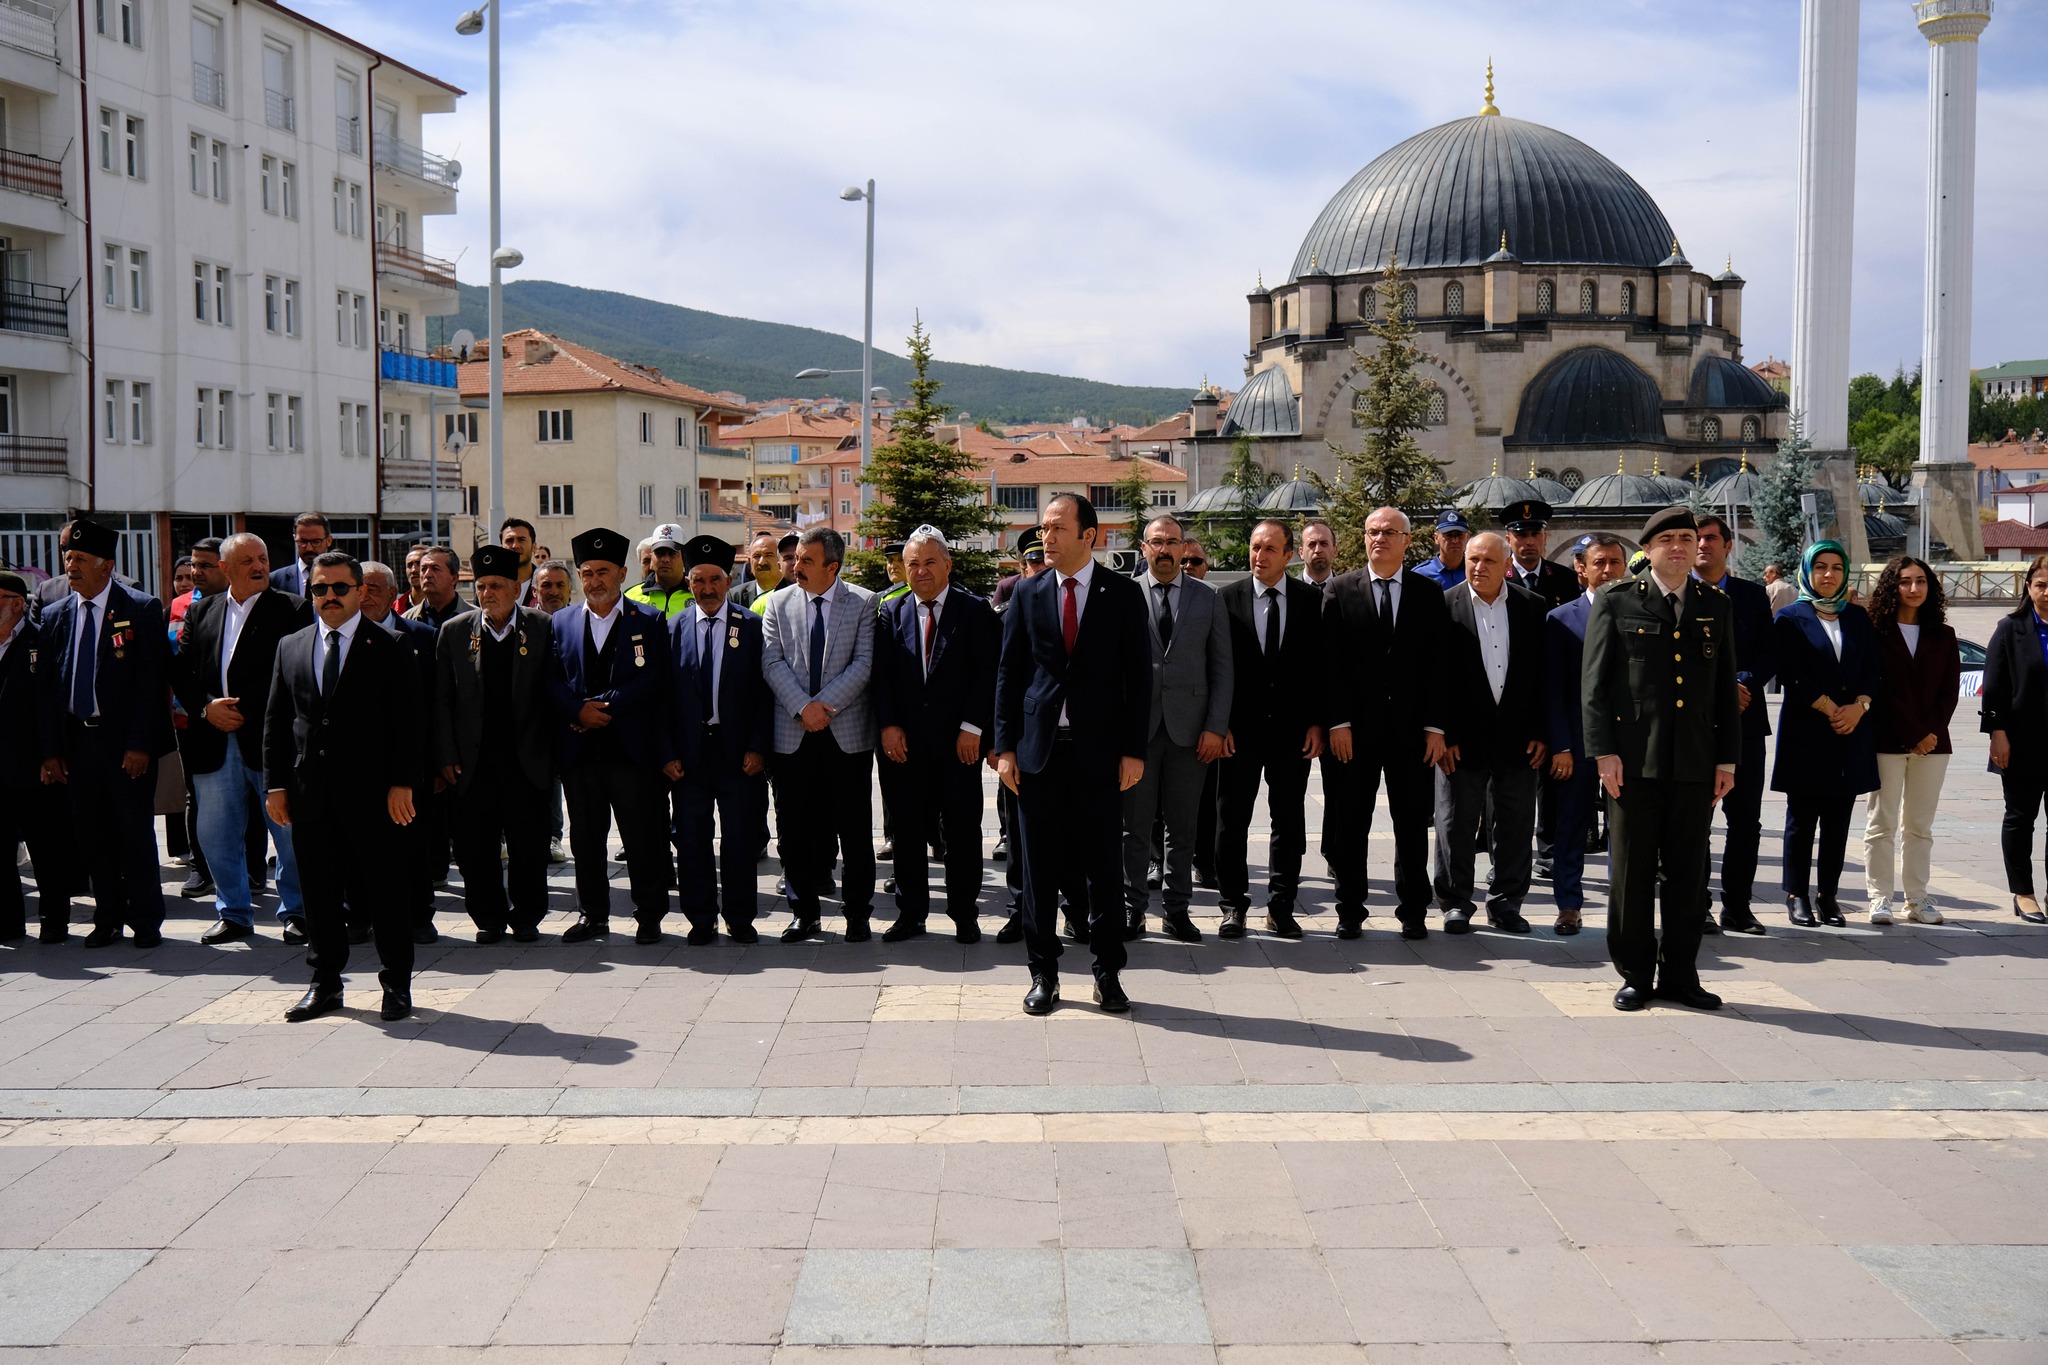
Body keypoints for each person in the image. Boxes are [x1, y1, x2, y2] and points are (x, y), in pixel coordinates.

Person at [994, 492, 1152, 1013]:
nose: (1047, 536)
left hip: (1100, 755)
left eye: (1059, 528)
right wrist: (1004, 750)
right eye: (1044, 527)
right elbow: (1009, 675)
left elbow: (1137, 681)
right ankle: (1044, 973)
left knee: (1103, 869)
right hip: (1038, 754)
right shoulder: (1026, 592)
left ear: (1090, 535)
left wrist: (1133, 752)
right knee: (1038, 869)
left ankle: (1108, 973)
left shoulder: (1122, 595)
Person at [1583, 505, 1739, 1011]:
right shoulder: (1616, 600)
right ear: (1646, 549)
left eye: (1687, 539)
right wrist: (1603, 752)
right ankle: (1635, 973)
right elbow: (1596, 687)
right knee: (1630, 874)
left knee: (1689, 876)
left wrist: (1727, 761)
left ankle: (1681, 974)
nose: (1678, 547)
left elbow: (1723, 690)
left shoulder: (1715, 604)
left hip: (1694, 763)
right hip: (1631, 764)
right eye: (1667, 539)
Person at [263, 551, 423, 1021]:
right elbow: (276, 723)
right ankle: (326, 984)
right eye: (319, 588)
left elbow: (409, 725)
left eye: (339, 588)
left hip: (376, 797)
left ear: (360, 592)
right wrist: (275, 786)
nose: (328, 596)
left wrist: (402, 785)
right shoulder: (291, 646)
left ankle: (396, 984)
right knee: (319, 894)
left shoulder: (391, 646)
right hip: (311, 795)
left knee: (386, 893)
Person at [35, 518, 173, 948]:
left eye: (80, 559)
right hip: (77, 742)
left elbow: (152, 685)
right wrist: (51, 751)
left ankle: (146, 920)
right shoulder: (57, 614)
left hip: (123, 743)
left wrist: (139, 745)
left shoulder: (140, 608)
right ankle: (107, 916)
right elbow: (48, 688)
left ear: (107, 565)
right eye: (67, 558)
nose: (70, 566)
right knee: (91, 836)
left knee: (133, 833)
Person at [174, 532, 311, 944]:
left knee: (286, 832)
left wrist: (246, 709)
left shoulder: (293, 610)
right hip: (213, 740)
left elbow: (299, 672)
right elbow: (181, 670)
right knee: (215, 833)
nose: (259, 567)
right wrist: (206, 707)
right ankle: (233, 912)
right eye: (249, 560)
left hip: (271, 741)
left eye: (264, 559)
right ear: (226, 568)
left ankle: (298, 911)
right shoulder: (203, 612)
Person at [1321, 506, 1452, 939]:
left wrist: (1435, 727)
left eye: (1389, 532)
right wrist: (1337, 722)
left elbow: (1437, 666)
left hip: (1411, 733)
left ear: (1407, 541)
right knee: (1350, 824)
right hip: (1354, 734)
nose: (1379, 538)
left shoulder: (1427, 593)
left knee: (1412, 823)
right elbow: (1331, 666)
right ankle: (1350, 910)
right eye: (1372, 532)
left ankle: (1413, 910)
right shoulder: (1340, 590)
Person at [545, 527, 674, 943]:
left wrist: (608, 707)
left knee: (641, 837)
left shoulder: (650, 621)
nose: (594, 580)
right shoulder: (560, 623)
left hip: (631, 750)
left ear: (621, 573)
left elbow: (657, 677)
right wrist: (577, 709)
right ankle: (592, 914)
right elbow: (550, 679)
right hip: (579, 750)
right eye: (586, 572)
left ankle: (650, 915)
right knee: (585, 839)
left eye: (603, 571)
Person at [872, 525, 998, 944]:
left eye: (929, 562)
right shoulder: (892, 611)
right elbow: (882, 675)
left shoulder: (974, 610)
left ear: (948, 564)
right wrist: (888, 725)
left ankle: (964, 913)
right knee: (907, 832)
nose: (921, 571)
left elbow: (987, 675)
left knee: (962, 832)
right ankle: (911, 914)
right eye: (913, 564)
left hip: (958, 744)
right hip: (905, 746)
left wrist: (973, 728)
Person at [760, 527, 878, 941]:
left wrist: (822, 707)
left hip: (845, 734)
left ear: (833, 566)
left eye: (807, 561)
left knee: (855, 830)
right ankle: (803, 911)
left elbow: (864, 664)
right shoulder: (777, 602)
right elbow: (772, 663)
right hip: (792, 734)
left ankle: (858, 914)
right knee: (793, 830)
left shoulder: (864, 602)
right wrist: (802, 708)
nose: (796, 567)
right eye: (794, 559)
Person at [436, 545, 555, 944]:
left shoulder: (541, 627)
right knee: (475, 846)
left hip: (527, 758)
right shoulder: (455, 631)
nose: (488, 594)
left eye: (497, 586)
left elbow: (554, 691)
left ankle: (526, 916)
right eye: (482, 586)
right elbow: (442, 699)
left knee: (528, 845)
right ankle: (488, 917)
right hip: (474, 761)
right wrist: (447, 755)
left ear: (518, 588)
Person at [1121, 513, 1231, 943]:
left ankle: (1177, 911)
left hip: (1191, 735)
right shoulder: (1124, 596)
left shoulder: (1208, 598)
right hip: (1138, 734)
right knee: (1133, 829)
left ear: (1185, 548)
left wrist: (1216, 727)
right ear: (1144, 548)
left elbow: (1222, 668)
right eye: (1156, 541)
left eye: (1172, 542)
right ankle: (1133, 910)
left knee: (1182, 830)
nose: (1164, 549)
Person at [1433, 531, 1547, 934]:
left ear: (1506, 564)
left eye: (1487, 561)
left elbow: (1540, 678)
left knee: (1515, 822)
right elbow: (1434, 680)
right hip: (1461, 739)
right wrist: (1440, 734)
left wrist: (1541, 731)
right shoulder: (1443, 606)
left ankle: (1506, 902)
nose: (1478, 567)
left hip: (1518, 738)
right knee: (1455, 822)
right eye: (1472, 560)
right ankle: (1455, 902)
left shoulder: (1533, 607)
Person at [1215, 518, 1323, 938]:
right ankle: (1232, 906)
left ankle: (1281, 905)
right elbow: (1217, 668)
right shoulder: (1226, 600)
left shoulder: (1309, 601)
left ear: (1289, 555)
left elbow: (1320, 669)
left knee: (1289, 822)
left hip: (1291, 733)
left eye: (1269, 549)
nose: (1259, 556)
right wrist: (1218, 724)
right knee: (1231, 820)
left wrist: (1316, 721)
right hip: (1238, 732)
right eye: (1255, 548)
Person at [662, 535, 771, 945]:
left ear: (728, 582)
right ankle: (701, 918)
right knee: (692, 840)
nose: (706, 589)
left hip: (739, 753)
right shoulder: (671, 629)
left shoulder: (752, 626)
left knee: (741, 839)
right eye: (698, 581)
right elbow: (662, 699)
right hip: (689, 757)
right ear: (689, 582)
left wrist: (759, 746)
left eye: (714, 580)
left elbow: (766, 693)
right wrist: (667, 753)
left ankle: (740, 917)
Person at [1772, 540, 1881, 929]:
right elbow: (1789, 671)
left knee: (1838, 820)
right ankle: (1797, 894)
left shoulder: (1857, 618)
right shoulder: (1789, 617)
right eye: (1820, 567)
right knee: (1802, 820)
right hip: (1807, 730)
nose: (1828, 574)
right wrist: (1827, 706)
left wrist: (1859, 707)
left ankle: (1828, 896)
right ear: (1807, 571)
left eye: (1836, 567)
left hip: (1850, 731)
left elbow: (1872, 670)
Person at [1693, 514, 1777, 935]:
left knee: (1745, 821)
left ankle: (1738, 907)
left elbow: (1768, 652)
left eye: (1711, 538)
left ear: (1728, 546)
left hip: (1746, 724)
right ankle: (1699, 906)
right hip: (1695, 726)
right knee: (1697, 821)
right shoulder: (1678, 594)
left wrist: (1744, 682)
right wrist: (1722, 688)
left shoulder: (1752, 595)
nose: (1703, 545)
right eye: (1697, 539)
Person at [1863, 555, 1958, 926]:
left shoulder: (1944, 634)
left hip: (1934, 744)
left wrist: (1929, 733)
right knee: (1881, 822)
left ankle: (1917, 898)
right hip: (1887, 738)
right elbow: (1879, 690)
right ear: (1892, 586)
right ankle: (1879, 898)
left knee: (1920, 825)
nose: (1914, 588)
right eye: (1905, 581)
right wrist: (1914, 733)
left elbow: (1949, 691)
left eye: (1921, 581)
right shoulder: (1875, 631)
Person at [1544, 533, 1629, 935]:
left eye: (1615, 562)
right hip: (1576, 746)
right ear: (1582, 568)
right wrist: (1559, 744)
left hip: (1627, 746)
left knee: (1626, 829)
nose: (1608, 570)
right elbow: (1554, 691)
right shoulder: (1561, 620)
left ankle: (1625, 905)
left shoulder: (1639, 614)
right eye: (1600, 563)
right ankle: (1568, 905)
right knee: (1571, 825)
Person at [362, 560, 447, 944]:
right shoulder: (339, 638)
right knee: (360, 848)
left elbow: (438, 704)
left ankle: (418, 916)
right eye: (358, 588)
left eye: (374, 589)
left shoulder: (424, 637)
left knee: (415, 844)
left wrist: (436, 763)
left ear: (393, 595)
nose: (364, 596)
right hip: (360, 765)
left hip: (412, 764)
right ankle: (360, 916)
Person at [0, 570, 72, 942]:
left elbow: (50, 702)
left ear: (16, 603)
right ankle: (8, 923)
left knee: (45, 848)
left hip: (32, 765)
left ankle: (54, 920)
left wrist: (51, 755)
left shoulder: (40, 640)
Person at [1983, 554, 2048, 926]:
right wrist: (1997, 732)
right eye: (2040, 585)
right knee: (2021, 818)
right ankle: (2023, 893)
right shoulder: (2011, 628)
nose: (2047, 592)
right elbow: (1994, 686)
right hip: (2022, 742)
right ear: (2028, 587)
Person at [530, 557, 576, 862]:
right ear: (535, 590)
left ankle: (553, 837)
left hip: (569, 720)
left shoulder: (577, 623)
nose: (553, 591)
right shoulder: (525, 625)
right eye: (546, 585)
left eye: (560, 585)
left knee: (561, 782)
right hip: (531, 720)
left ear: (571, 590)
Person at [1501, 500, 1577, 608]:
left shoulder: (1565, 578)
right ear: (1508, 540)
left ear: (1545, 537)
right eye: (1522, 535)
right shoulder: (1498, 576)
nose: (1530, 542)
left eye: (1535, 534)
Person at [625, 523, 694, 620]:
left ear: (685, 557)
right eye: (659, 553)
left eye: (672, 553)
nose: (665, 559)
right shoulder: (630, 597)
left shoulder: (697, 594)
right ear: (652, 557)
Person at [405, 546, 469, 631]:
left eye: (435, 569)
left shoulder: (477, 618)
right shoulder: (406, 620)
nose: (427, 575)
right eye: (423, 569)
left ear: (454, 578)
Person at [268, 511, 332, 596]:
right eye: (303, 541)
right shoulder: (275, 580)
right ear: (294, 539)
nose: (309, 548)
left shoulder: (344, 578)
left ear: (329, 541)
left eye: (316, 542)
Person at [990, 526, 1046, 613]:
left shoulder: (1065, 586)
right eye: (1035, 562)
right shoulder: (1007, 587)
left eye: (1047, 562)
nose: (1042, 568)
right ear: (1025, 567)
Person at [1412, 510, 1470, 589]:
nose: (1455, 540)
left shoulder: (1475, 570)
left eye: (1460, 535)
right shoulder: (1420, 575)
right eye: (1448, 535)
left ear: (1467, 537)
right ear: (1436, 538)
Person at [748, 533, 803, 617]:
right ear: (779, 566)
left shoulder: (823, 596)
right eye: (788, 558)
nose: (795, 563)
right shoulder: (762, 604)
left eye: (799, 558)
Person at [732, 531, 785, 610]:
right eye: (757, 556)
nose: (761, 562)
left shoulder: (795, 594)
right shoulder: (734, 597)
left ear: (780, 560)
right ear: (750, 562)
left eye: (768, 555)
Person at [500, 517, 541, 608]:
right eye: (509, 541)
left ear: (533, 547)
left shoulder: (545, 583)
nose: (515, 545)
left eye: (521, 540)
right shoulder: (489, 585)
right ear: (501, 548)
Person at [1298, 520, 1337, 589]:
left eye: (1324, 543)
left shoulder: (1347, 590)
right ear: (1301, 552)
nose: (1318, 550)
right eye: (1312, 544)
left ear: (1335, 551)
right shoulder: (1287, 590)